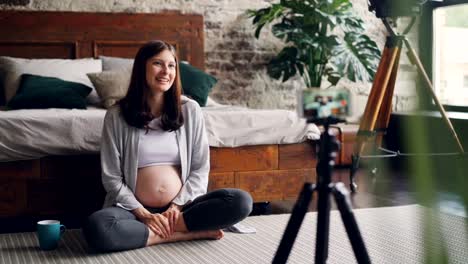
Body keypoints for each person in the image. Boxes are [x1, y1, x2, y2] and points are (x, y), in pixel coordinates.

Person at [83, 40, 253, 252]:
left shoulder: (190, 110)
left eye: (171, 65)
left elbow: (200, 168)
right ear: (141, 68)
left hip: (183, 209)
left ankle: (163, 230)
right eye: (157, 64)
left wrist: (176, 207)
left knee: (240, 201)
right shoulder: (117, 115)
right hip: (134, 212)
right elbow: (112, 177)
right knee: (97, 227)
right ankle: (181, 234)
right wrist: (143, 214)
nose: (166, 71)